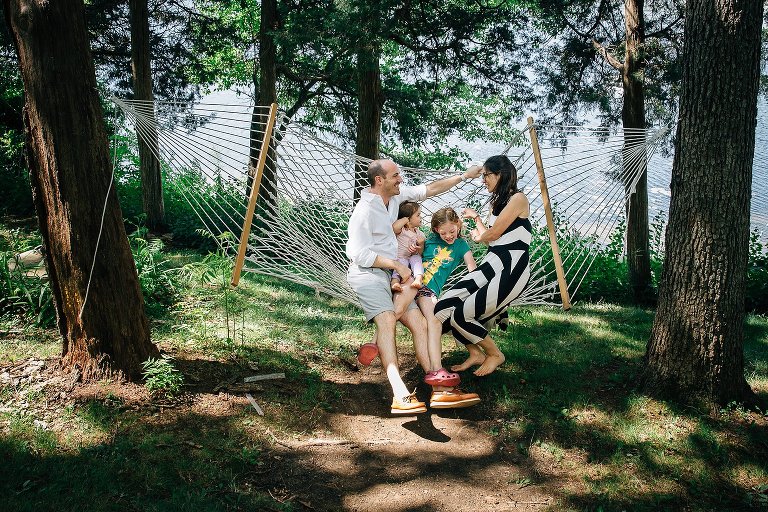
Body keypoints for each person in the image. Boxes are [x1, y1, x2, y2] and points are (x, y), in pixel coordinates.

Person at [345, 159, 481, 414]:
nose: (401, 179)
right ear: (379, 180)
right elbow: (357, 253)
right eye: (396, 175)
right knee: (386, 319)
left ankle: (440, 389)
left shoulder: (395, 199)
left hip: (396, 271)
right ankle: (399, 394)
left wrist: (464, 177)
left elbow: (429, 189)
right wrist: (397, 266)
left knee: (420, 324)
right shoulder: (364, 211)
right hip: (369, 272)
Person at [434, 155, 531, 377]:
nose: (483, 180)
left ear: (500, 175)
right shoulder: (496, 203)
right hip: (492, 261)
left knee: (461, 315)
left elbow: (492, 233)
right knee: (442, 307)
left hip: (512, 267)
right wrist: (478, 221)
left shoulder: (518, 199)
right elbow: (490, 237)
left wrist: (479, 236)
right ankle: (475, 353)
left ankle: (495, 354)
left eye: (486, 175)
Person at [416, 207, 482, 408]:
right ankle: (437, 371)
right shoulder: (428, 240)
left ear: (458, 225)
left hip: (429, 293)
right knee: (435, 322)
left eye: (452, 231)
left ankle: (437, 382)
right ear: (435, 230)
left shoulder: (461, 245)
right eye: (442, 232)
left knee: (428, 325)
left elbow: (473, 270)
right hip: (419, 286)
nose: (448, 236)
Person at [390, 201, 426, 292]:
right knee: (402, 261)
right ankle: (395, 282)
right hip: (400, 258)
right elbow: (394, 228)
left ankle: (418, 279)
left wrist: (421, 244)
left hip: (412, 259)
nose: (420, 217)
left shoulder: (420, 234)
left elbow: (420, 253)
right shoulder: (402, 230)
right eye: (418, 215)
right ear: (408, 218)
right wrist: (406, 219)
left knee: (417, 258)